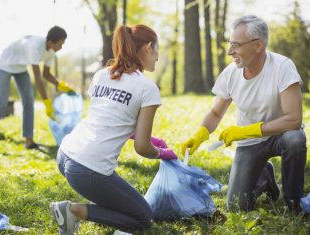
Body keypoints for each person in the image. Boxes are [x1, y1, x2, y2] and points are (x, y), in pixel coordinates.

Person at [50, 24, 178, 235]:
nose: (157, 56)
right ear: (148, 47)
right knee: (143, 217)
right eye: (156, 50)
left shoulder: (102, 74)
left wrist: (150, 138)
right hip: (88, 169)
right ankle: (73, 210)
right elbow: (142, 148)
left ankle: (80, 209)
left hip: (65, 155)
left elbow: (110, 119)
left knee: (120, 202)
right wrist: (162, 153)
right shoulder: (147, 88)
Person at [181, 15, 306, 214]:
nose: (230, 51)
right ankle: (265, 177)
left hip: (281, 134)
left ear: (258, 46)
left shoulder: (282, 67)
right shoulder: (231, 73)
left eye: (236, 45)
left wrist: (247, 130)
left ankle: (293, 202)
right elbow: (215, 112)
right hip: (251, 143)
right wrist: (201, 134)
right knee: (237, 206)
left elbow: (293, 119)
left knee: (295, 139)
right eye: (231, 44)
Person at [0, 26, 74, 152]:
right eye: (61, 43)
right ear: (51, 41)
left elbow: (46, 74)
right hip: (6, 63)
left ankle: (29, 141)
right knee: (1, 103)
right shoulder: (35, 46)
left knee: (28, 101)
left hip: (20, 67)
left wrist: (59, 84)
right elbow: (37, 77)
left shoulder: (51, 53)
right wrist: (46, 102)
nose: (62, 47)